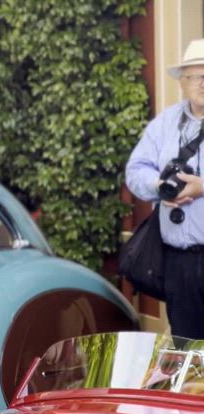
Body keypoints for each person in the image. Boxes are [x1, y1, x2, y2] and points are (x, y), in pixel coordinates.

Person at [126, 39, 204, 340]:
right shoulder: (166, 123)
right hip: (178, 262)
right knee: (187, 350)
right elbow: (136, 169)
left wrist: (201, 187)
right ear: (182, 82)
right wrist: (158, 186)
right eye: (195, 76)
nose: (202, 83)